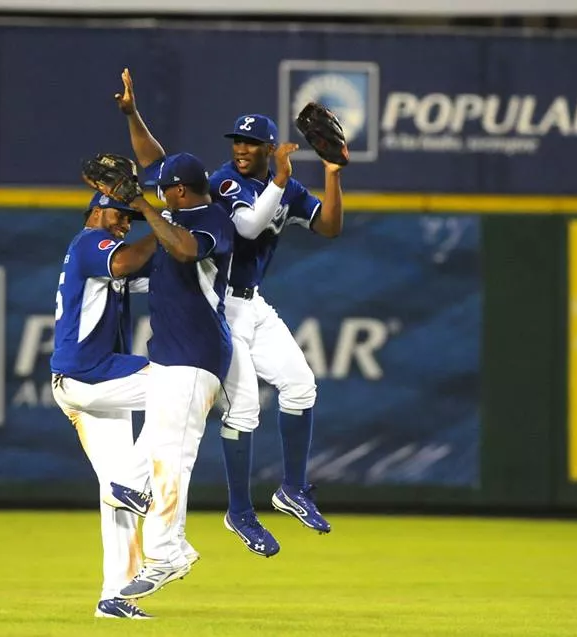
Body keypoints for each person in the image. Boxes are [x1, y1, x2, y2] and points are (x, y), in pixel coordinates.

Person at [113, 68, 346, 558]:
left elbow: (327, 227)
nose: (240, 149)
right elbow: (244, 225)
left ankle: (293, 488)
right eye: (237, 141)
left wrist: (331, 172)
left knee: (302, 386)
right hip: (220, 308)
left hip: (254, 303)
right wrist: (281, 181)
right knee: (241, 411)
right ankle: (240, 511)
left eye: (250, 143)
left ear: (268, 147)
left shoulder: (281, 185)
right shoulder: (222, 183)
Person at [96, 151, 234, 600]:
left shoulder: (213, 219)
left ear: (178, 190)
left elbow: (183, 247)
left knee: (172, 457)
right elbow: (152, 176)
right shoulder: (169, 216)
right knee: (127, 482)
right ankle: (136, 496)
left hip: (196, 356)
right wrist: (132, 115)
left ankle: (168, 552)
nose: (154, 193)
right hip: (168, 358)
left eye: (161, 188)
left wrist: (146, 206)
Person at [49, 191, 158, 619]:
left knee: (115, 494)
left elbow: (157, 272)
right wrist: (161, 217)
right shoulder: (89, 242)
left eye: (132, 218)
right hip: (90, 374)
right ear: (96, 212)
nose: (125, 224)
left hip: (90, 383)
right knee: (184, 387)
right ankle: (133, 482)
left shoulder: (106, 254)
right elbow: (129, 261)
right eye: (120, 214)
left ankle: (114, 597)